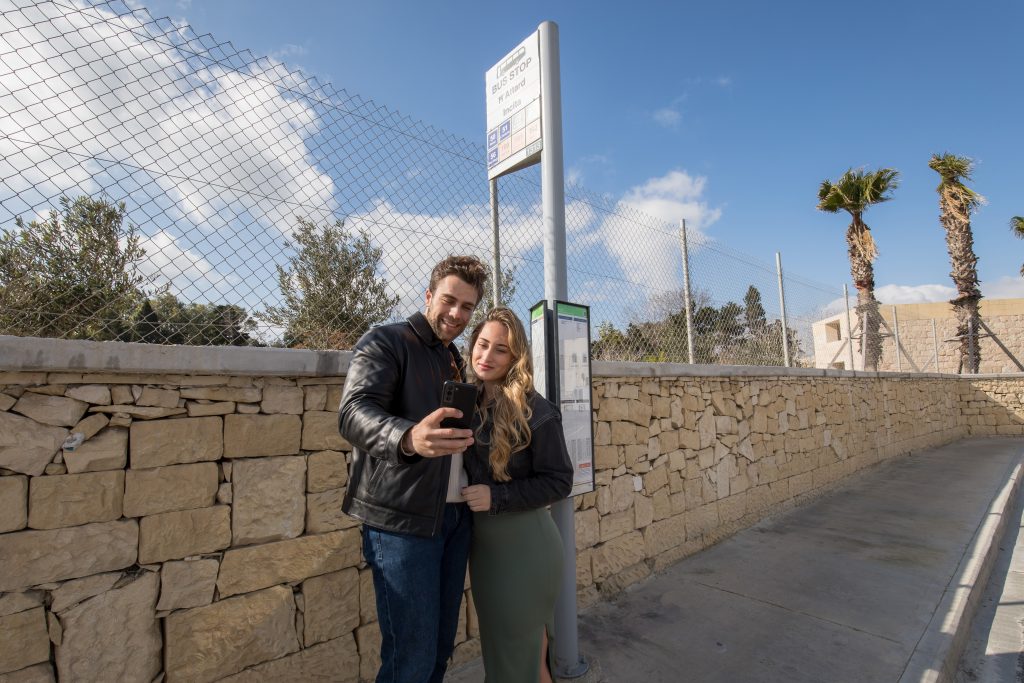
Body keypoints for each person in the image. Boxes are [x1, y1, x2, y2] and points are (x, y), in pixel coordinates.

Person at [339, 255, 488, 683]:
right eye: (449, 301)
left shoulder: (455, 357)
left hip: (454, 518)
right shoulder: (385, 341)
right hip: (402, 525)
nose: (457, 314)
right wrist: (408, 437)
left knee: (440, 649)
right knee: (411, 658)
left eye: (467, 307)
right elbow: (352, 414)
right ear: (428, 296)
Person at [461, 307, 574, 683]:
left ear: (516, 357)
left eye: (500, 350)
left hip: (526, 550)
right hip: (487, 553)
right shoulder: (466, 404)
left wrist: (496, 497)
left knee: (523, 657)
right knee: (507, 655)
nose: (487, 356)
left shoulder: (536, 410)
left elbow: (559, 481)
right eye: (482, 344)